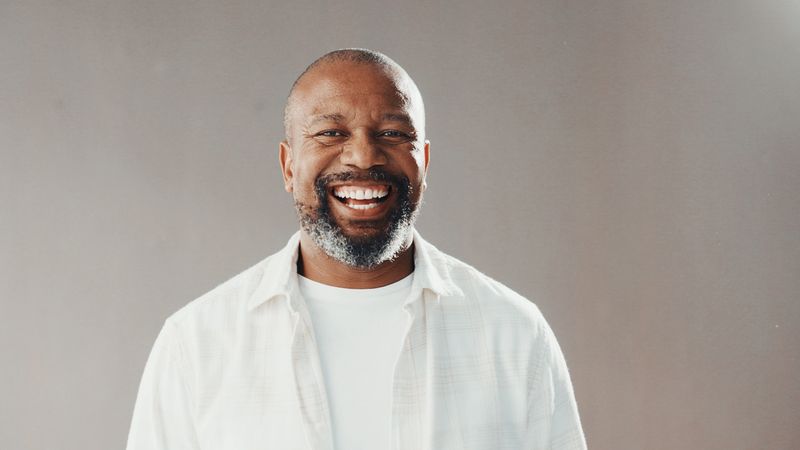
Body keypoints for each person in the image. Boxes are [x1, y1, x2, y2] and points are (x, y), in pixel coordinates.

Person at [126, 48, 587, 450]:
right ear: (289, 166)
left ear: (423, 161)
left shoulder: (513, 333)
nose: (363, 156)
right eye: (330, 133)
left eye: (391, 133)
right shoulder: (197, 344)